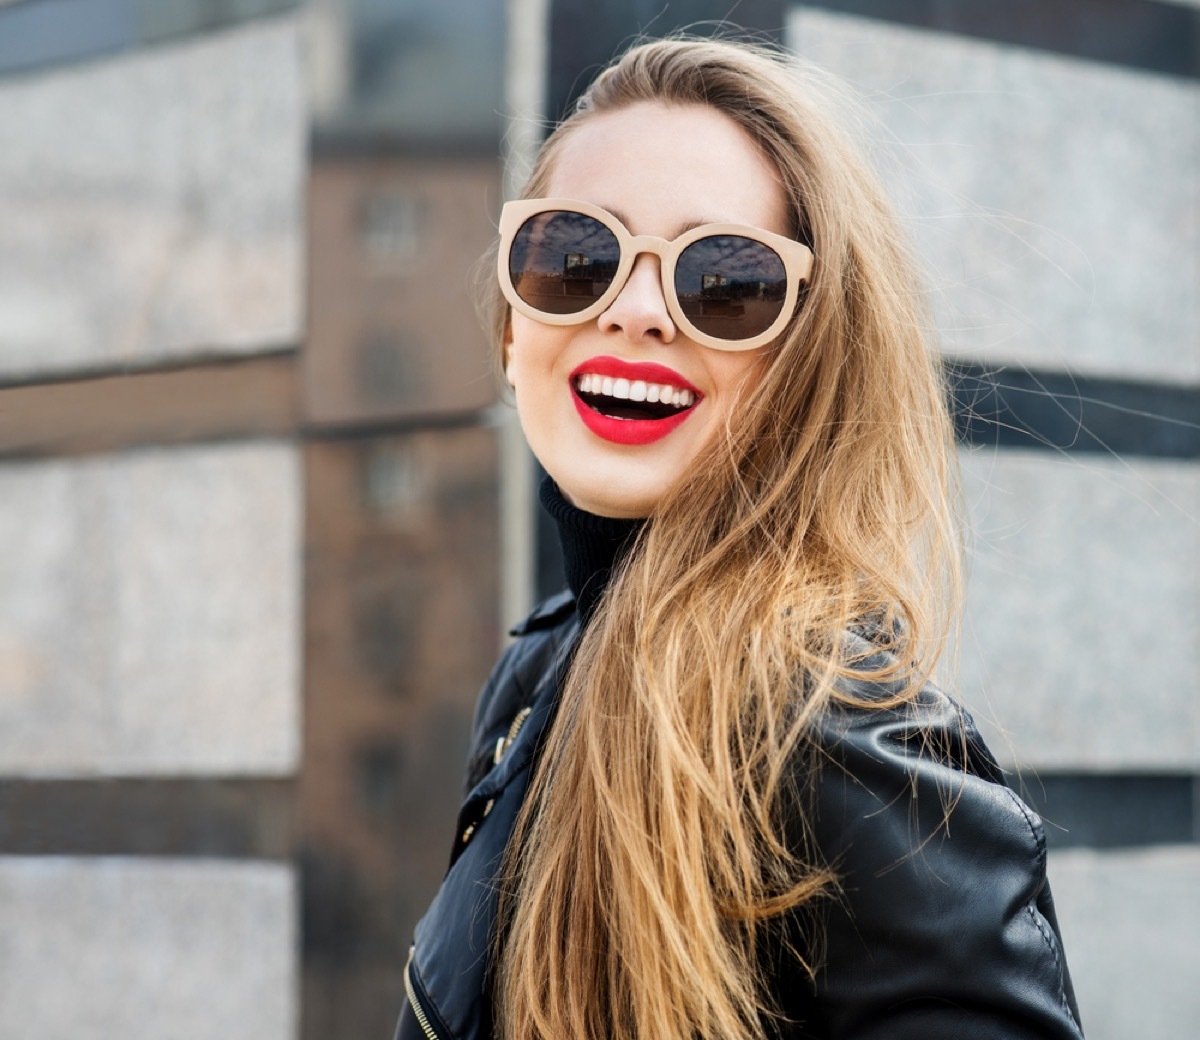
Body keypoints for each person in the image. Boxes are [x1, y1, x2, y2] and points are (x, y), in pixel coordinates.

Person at [395, 36, 1084, 1040]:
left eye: (725, 282)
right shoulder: (538, 672)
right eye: (575, 255)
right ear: (512, 329)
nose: (633, 312)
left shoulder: (841, 747)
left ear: (812, 364)